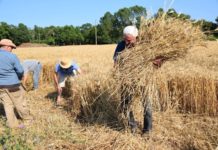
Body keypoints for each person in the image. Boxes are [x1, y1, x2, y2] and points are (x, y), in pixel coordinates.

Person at [113, 26, 163, 134]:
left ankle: (147, 130)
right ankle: (133, 126)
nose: (126, 42)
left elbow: (158, 61)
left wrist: (157, 62)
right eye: (125, 39)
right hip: (127, 81)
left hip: (143, 81)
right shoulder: (121, 45)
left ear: (137, 37)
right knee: (125, 105)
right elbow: (116, 61)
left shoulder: (145, 46)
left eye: (129, 40)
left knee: (147, 106)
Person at [0, 39, 32, 128]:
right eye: (12, 48)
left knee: (7, 105)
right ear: (7, 47)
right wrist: (19, 77)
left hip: (0, 86)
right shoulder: (12, 56)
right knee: (20, 103)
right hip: (13, 85)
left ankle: (12, 125)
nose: (12, 50)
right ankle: (27, 120)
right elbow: (20, 70)